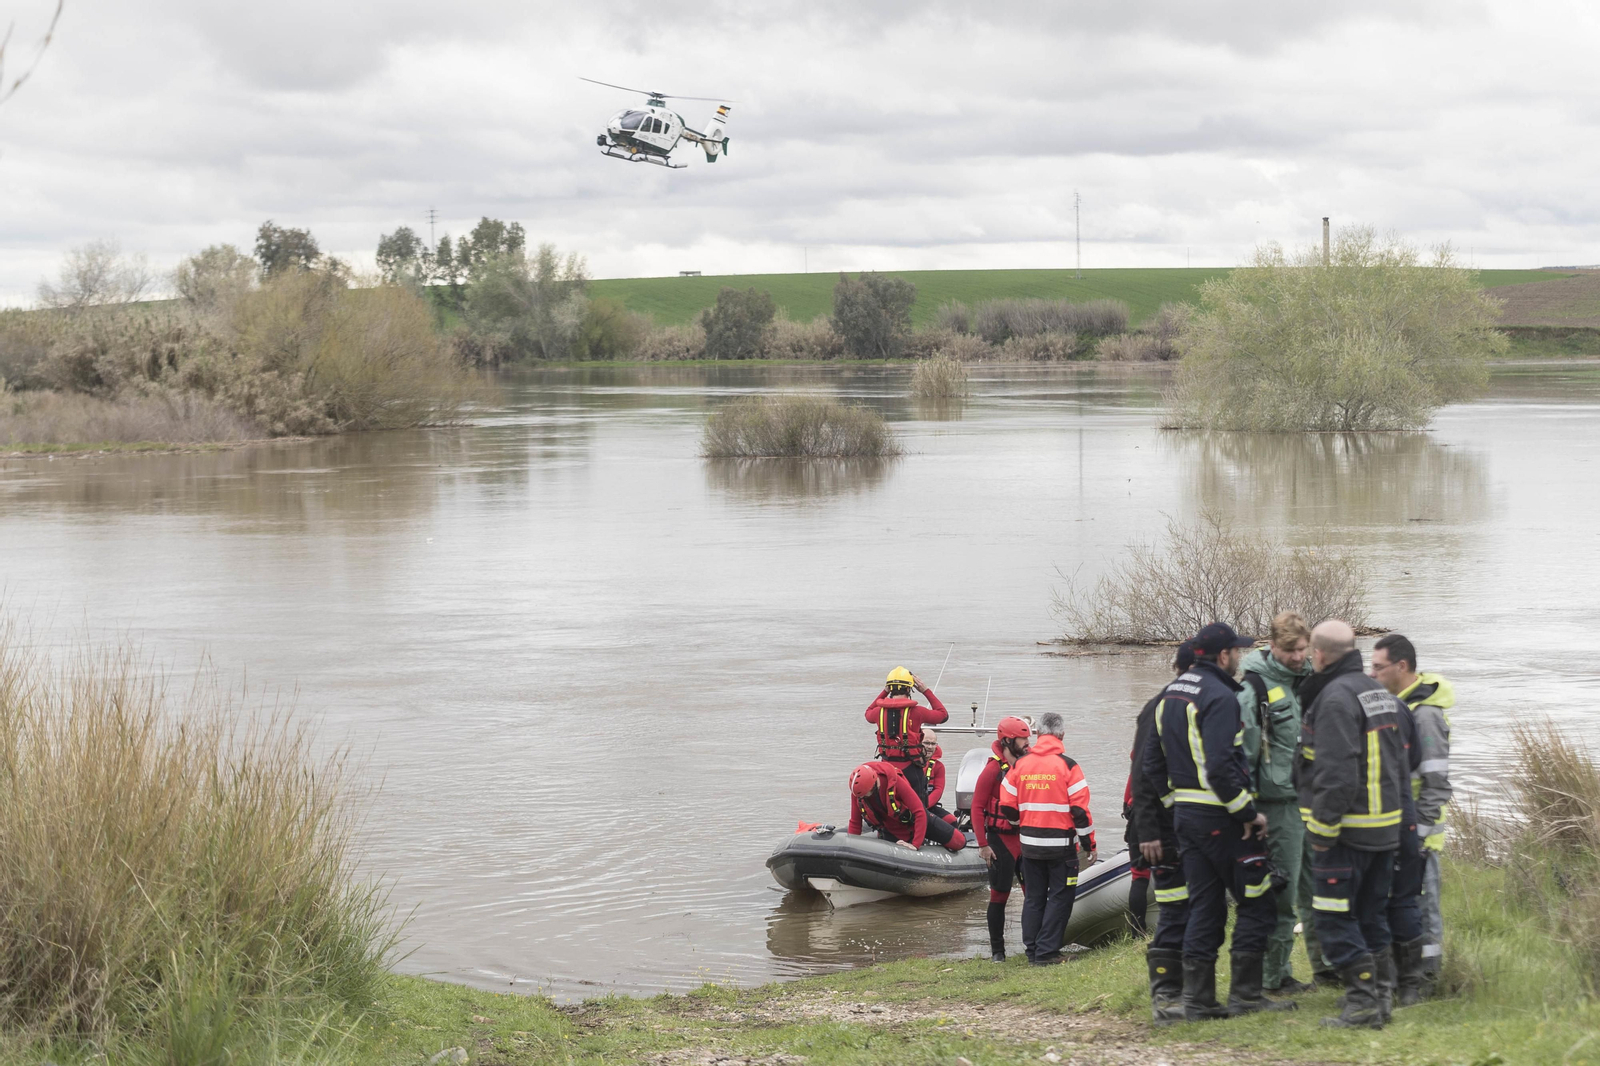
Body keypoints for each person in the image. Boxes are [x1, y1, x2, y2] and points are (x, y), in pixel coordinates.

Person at [1144, 621, 1291, 1020]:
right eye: (1237, 653)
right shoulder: (1220, 696)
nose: (1240, 659)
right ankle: (1245, 995)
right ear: (1223, 655)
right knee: (1258, 901)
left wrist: (1177, 804)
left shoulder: (1171, 694)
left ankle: (1199, 1002)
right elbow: (1222, 767)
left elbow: (1152, 763)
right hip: (1223, 819)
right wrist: (1247, 813)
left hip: (1188, 819)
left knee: (1206, 908)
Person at [1294, 620, 1407, 1030]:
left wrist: (1322, 831)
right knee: (1370, 915)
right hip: (1385, 829)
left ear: (1319, 655)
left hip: (1348, 832)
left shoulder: (1335, 698)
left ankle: (1362, 1004)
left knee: (1332, 917)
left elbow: (1336, 775)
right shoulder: (1377, 691)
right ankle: (1381, 999)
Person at [1237, 611, 1318, 995]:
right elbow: (1244, 755)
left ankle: (1329, 964)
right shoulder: (1254, 688)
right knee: (1280, 893)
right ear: (1272, 647)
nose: (1299, 656)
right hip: (1276, 805)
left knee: (1318, 887)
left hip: (1312, 799)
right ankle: (1275, 976)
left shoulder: (1311, 680)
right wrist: (1248, 811)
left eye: (1303, 649)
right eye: (1291, 650)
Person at [1372, 633, 1453, 1004]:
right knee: (1398, 905)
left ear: (1401, 667)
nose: (1372, 674)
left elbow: (1436, 785)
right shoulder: (1393, 706)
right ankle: (1400, 977)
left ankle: (1429, 980)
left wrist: (1418, 836)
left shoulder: (1427, 716)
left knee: (1424, 908)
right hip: (1396, 831)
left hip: (1421, 836)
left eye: (1378, 667)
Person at [1128, 640, 1196, 1026]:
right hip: (1163, 829)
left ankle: (1190, 990)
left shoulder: (1197, 702)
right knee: (1174, 907)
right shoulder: (1160, 708)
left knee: (1193, 908)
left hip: (1188, 826)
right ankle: (1168, 994)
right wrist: (1152, 829)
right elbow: (1143, 775)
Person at [999, 712, 1096, 967]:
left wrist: (1022, 824)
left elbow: (1007, 805)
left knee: (1034, 897)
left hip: (1030, 845)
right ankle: (1047, 953)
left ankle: (1032, 950)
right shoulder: (1069, 766)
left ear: (1038, 734)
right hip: (1061, 847)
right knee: (1061, 897)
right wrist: (1089, 845)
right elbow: (1080, 813)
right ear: (1062, 735)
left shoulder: (1021, 765)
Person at [972, 716, 1033, 962]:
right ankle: (998, 952)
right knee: (999, 896)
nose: (1028, 742)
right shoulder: (992, 770)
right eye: (1023, 738)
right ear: (1008, 740)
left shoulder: (1029, 766)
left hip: (1026, 839)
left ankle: (1036, 947)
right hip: (999, 841)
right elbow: (976, 808)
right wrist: (983, 845)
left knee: (1034, 895)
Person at [865, 667, 949, 803]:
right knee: (918, 808)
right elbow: (943, 715)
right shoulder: (917, 712)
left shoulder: (877, 712)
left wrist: (884, 691)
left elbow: (867, 712)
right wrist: (925, 690)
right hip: (910, 770)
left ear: (890, 689)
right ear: (910, 689)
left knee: (888, 805)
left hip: (886, 769)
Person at [846, 761, 965, 852]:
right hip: (892, 831)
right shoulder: (859, 793)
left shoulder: (894, 781)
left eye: (867, 795)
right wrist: (850, 847)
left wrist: (915, 844)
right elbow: (855, 823)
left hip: (915, 821)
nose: (865, 798)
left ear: (875, 783)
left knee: (959, 842)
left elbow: (919, 812)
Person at [921, 731, 956, 824]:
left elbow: (938, 790)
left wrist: (924, 807)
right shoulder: (908, 763)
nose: (930, 747)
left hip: (928, 806)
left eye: (933, 744)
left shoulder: (939, 767)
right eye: (926, 743)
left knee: (952, 821)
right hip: (910, 808)